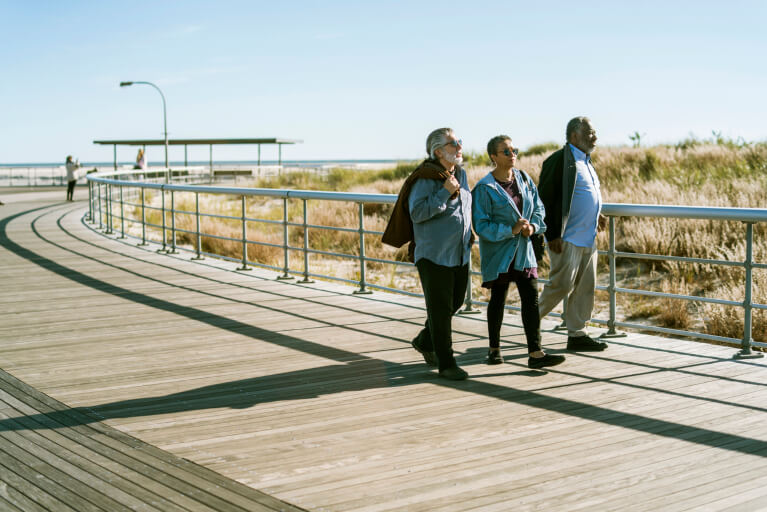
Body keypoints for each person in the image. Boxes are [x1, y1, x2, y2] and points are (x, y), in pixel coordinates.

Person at [382, 128, 473, 380]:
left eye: (460, 142)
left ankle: (424, 340)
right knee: (440, 309)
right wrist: (444, 191)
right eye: (454, 143)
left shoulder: (461, 174)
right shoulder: (424, 178)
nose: (459, 147)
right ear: (438, 151)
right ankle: (447, 363)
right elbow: (418, 213)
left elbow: (464, 207)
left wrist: (470, 232)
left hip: (459, 253)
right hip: (433, 255)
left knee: (454, 303)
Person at [472, 135, 566, 369]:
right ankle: (494, 350)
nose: (512, 153)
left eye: (514, 149)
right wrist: (510, 229)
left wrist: (533, 227)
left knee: (531, 300)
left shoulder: (524, 179)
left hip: (524, 251)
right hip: (500, 253)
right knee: (498, 299)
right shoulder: (485, 188)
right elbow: (481, 225)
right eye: (506, 151)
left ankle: (536, 353)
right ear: (493, 156)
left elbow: (539, 208)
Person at [537, 116, 608, 351]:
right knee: (561, 285)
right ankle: (531, 322)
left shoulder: (586, 161)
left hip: (587, 236)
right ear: (575, 136)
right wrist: (552, 234)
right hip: (565, 238)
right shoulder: (558, 161)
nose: (595, 137)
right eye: (590, 133)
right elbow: (545, 199)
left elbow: (585, 195)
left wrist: (597, 214)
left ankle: (577, 334)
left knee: (586, 286)